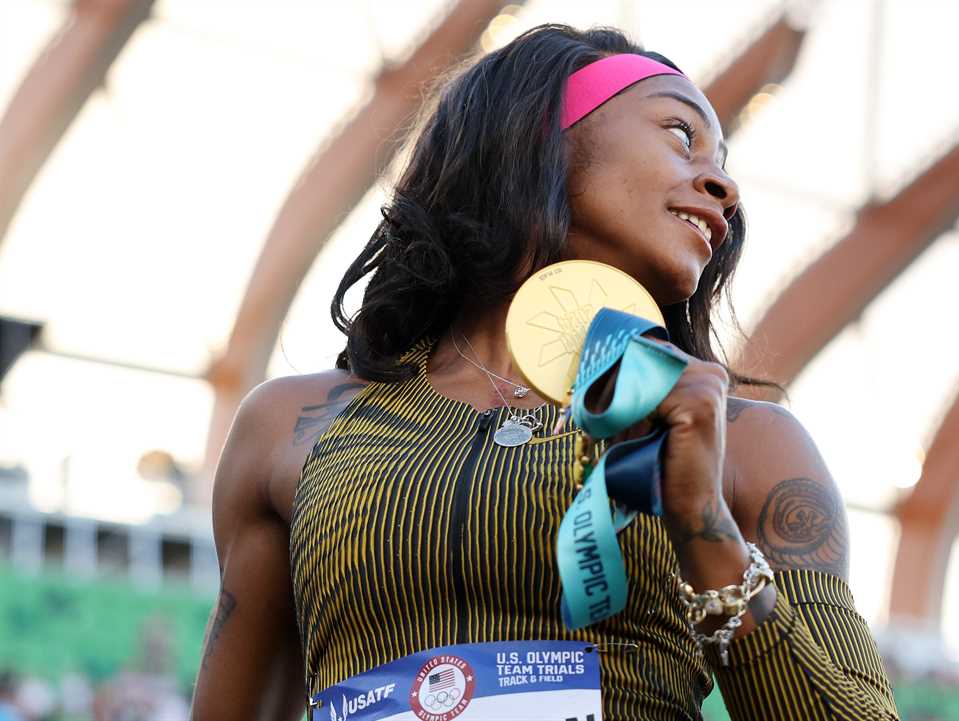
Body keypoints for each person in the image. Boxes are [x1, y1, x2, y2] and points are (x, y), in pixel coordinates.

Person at [191, 23, 898, 721]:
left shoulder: (746, 446)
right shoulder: (291, 425)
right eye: (682, 136)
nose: (723, 185)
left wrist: (703, 523)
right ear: (539, 135)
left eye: (724, 160)